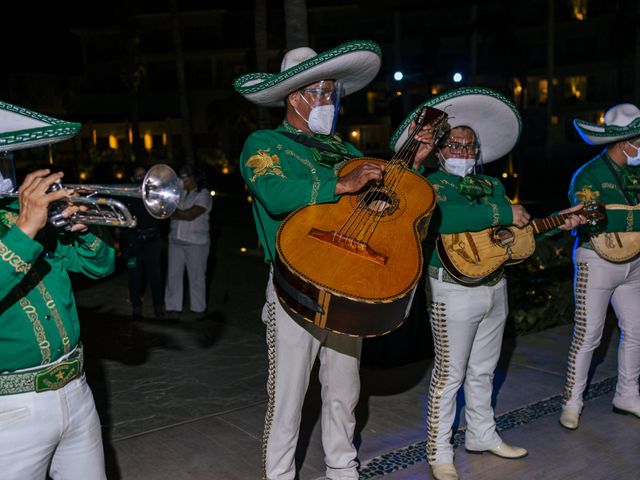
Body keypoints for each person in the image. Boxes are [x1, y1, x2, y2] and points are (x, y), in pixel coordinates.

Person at [234, 40, 433, 479]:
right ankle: (280, 475)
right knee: (287, 395)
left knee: (345, 388)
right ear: (294, 96)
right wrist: (341, 186)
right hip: (295, 284)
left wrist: (410, 167)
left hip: (350, 282)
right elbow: (274, 193)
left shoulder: (347, 151)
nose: (330, 101)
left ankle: (343, 469)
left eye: (333, 93)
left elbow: (386, 207)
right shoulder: (265, 143)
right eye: (320, 92)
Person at [389, 87, 585, 480]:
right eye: (455, 145)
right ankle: (439, 450)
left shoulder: (493, 186)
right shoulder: (428, 185)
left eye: (470, 147)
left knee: (484, 370)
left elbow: (505, 239)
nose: (463, 152)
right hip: (450, 289)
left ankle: (481, 434)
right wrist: (502, 212)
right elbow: (446, 218)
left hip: (494, 287)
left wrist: (555, 224)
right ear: (441, 148)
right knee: (450, 374)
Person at [0, 100, 115, 479]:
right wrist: (24, 232)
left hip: (77, 392)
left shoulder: (17, 214)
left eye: (5, 155)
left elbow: (100, 267)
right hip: (11, 409)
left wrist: (87, 230)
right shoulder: (23, 223)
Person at [559, 103, 640, 430]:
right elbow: (594, 217)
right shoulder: (588, 174)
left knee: (636, 330)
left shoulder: (636, 173)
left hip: (634, 262)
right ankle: (572, 402)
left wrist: (619, 213)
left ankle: (627, 394)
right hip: (596, 260)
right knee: (588, 334)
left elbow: (614, 214)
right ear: (625, 142)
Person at [164, 163, 212, 321]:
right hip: (175, 240)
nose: (182, 179)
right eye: (180, 176)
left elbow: (190, 214)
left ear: (195, 177)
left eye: (185, 176)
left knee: (197, 277)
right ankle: (173, 308)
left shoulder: (203, 194)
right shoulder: (179, 193)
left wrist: (170, 211)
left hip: (196, 242)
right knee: (173, 275)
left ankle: (198, 309)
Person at [119, 165, 165, 320]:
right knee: (134, 275)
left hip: (152, 242)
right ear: (132, 179)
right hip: (134, 243)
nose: (141, 179)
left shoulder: (155, 195)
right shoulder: (127, 196)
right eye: (138, 176)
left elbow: (163, 217)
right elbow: (122, 220)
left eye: (143, 175)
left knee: (155, 276)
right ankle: (136, 307)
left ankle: (158, 306)